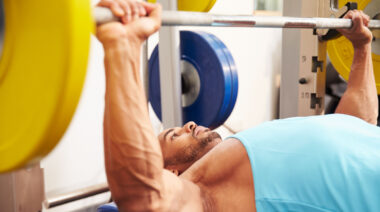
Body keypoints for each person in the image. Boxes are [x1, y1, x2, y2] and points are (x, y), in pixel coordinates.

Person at [96, 0, 380, 211]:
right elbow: (142, 194)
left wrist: (362, 49)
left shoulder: (240, 156)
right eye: (174, 136)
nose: (189, 124)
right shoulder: (204, 193)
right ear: (168, 173)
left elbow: (357, 124)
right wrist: (123, 47)